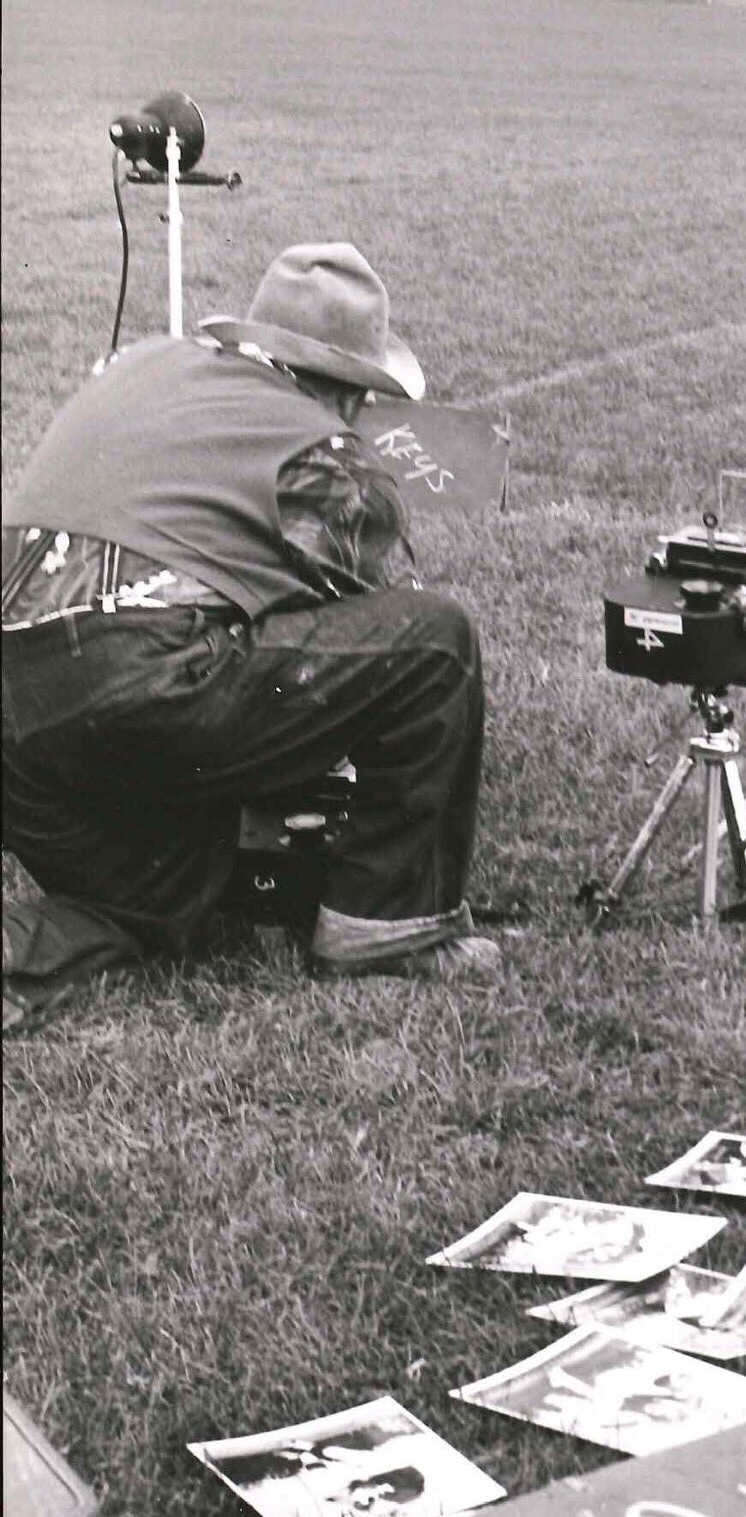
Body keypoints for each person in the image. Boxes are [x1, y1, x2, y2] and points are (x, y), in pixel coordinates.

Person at [2, 242, 500, 1022]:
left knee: (161, 900)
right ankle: (383, 926)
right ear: (347, 389)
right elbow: (351, 604)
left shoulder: (142, 361)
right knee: (436, 643)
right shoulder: (318, 445)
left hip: (17, 720)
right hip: (136, 678)